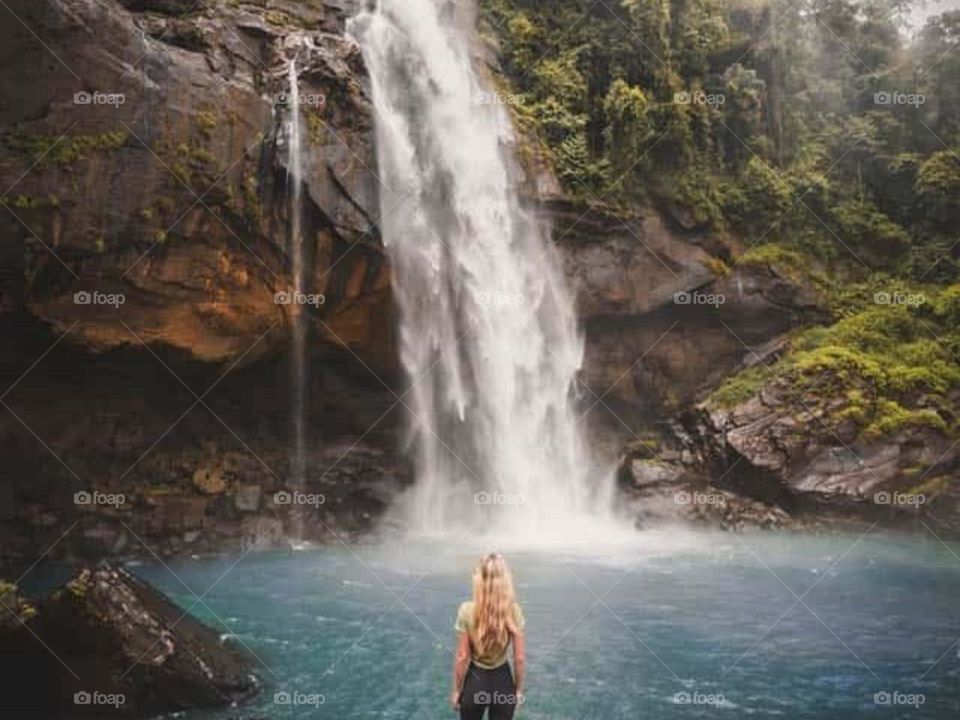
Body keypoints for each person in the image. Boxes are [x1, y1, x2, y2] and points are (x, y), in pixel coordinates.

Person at [450, 553, 526, 719]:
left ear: (479, 581)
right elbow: (519, 658)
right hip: (503, 682)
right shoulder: (514, 611)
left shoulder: (466, 610)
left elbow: (462, 656)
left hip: (475, 683)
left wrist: (456, 690)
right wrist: (519, 690)